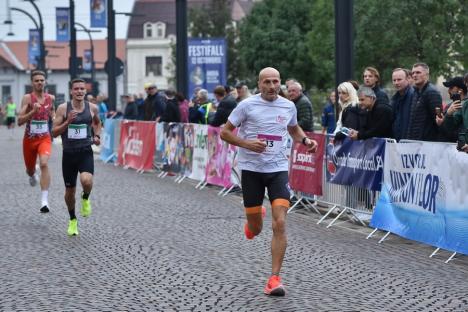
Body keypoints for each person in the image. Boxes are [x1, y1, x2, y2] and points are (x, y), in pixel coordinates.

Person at [220, 67, 318, 297]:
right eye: (267, 82)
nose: (272, 86)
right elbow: (225, 133)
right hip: (252, 170)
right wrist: (246, 144)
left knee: (280, 223)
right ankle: (254, 221)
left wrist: (304, 139)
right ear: (259, 83)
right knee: (255, 228)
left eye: (276, 82)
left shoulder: (288, 105)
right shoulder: (246, 105)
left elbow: (292, 128)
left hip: (278, 169)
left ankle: (274, 279)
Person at [52, 78, 101, 236]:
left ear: (85, 91)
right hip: (69, 154)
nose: (79, 91)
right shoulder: (62, 108)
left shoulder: (92, 107)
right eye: (76, 89)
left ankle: (85, 197)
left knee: (86, 181)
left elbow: (97, 123)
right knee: (70, 191)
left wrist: (97, 135)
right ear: (71, 91)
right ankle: (73, 220)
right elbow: (53, 132)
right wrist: (67, 122)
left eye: (82, 89)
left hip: (85, 151)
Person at [17, 70, 55, 213]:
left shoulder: (50, 98)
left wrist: (57, 121)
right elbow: (20, 121)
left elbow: (53, 114)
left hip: (44, 138)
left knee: (44, 163)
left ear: (45, 82)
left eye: (42, 80)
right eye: (36, 80)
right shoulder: (28, 98)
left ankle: (44, 201)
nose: (39, 82)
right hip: (29, 140)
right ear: (32, 83)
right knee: (30, 169)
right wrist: (33, 112)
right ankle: (32, 174)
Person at [406, 63, 443, 141]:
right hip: (414, 142)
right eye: (413, 73)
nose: (414, 75)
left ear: (427, 75)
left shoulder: (432, 93)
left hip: (426, 143)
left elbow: (438, 121)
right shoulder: (415, 92)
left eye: (418, 72)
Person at [436, 76, 467, 142]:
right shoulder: (450, 105)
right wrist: (441, 122)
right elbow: (445, 130)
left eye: (451, 87)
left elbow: (454, 132)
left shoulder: (464, 106)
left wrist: (449, 115)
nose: (448, 90)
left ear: (460, 90)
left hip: (458, 148)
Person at [391, 68, 414, 141]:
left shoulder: (414, 96)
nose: (396, 83)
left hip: (409, 142)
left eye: (399, 79)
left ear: (407, 79)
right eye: (394, 80)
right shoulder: (394, 99)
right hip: (396, 141)